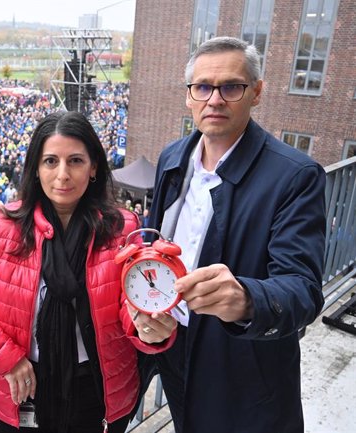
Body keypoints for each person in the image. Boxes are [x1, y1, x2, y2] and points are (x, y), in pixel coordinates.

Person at [0, 111, 177, 433]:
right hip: (24, 384)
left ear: (94, 166)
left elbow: (127, 308)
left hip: (100, 389)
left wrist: (149, 328)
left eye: (75, 161)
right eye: (50, 162)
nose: (62, 175)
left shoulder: (122, 228)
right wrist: (6, 357)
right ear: (36, 168)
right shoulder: (2, 227)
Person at [147, 37, 326, 433]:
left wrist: (246, 299)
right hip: (174, 347)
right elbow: (154, 247)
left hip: (243, 367)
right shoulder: (171, 158)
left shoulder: (295, 176)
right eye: (203, 87)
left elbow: (304, 291)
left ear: (256, 93)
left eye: (231, 87)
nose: (215, 99)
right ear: (189, 97)